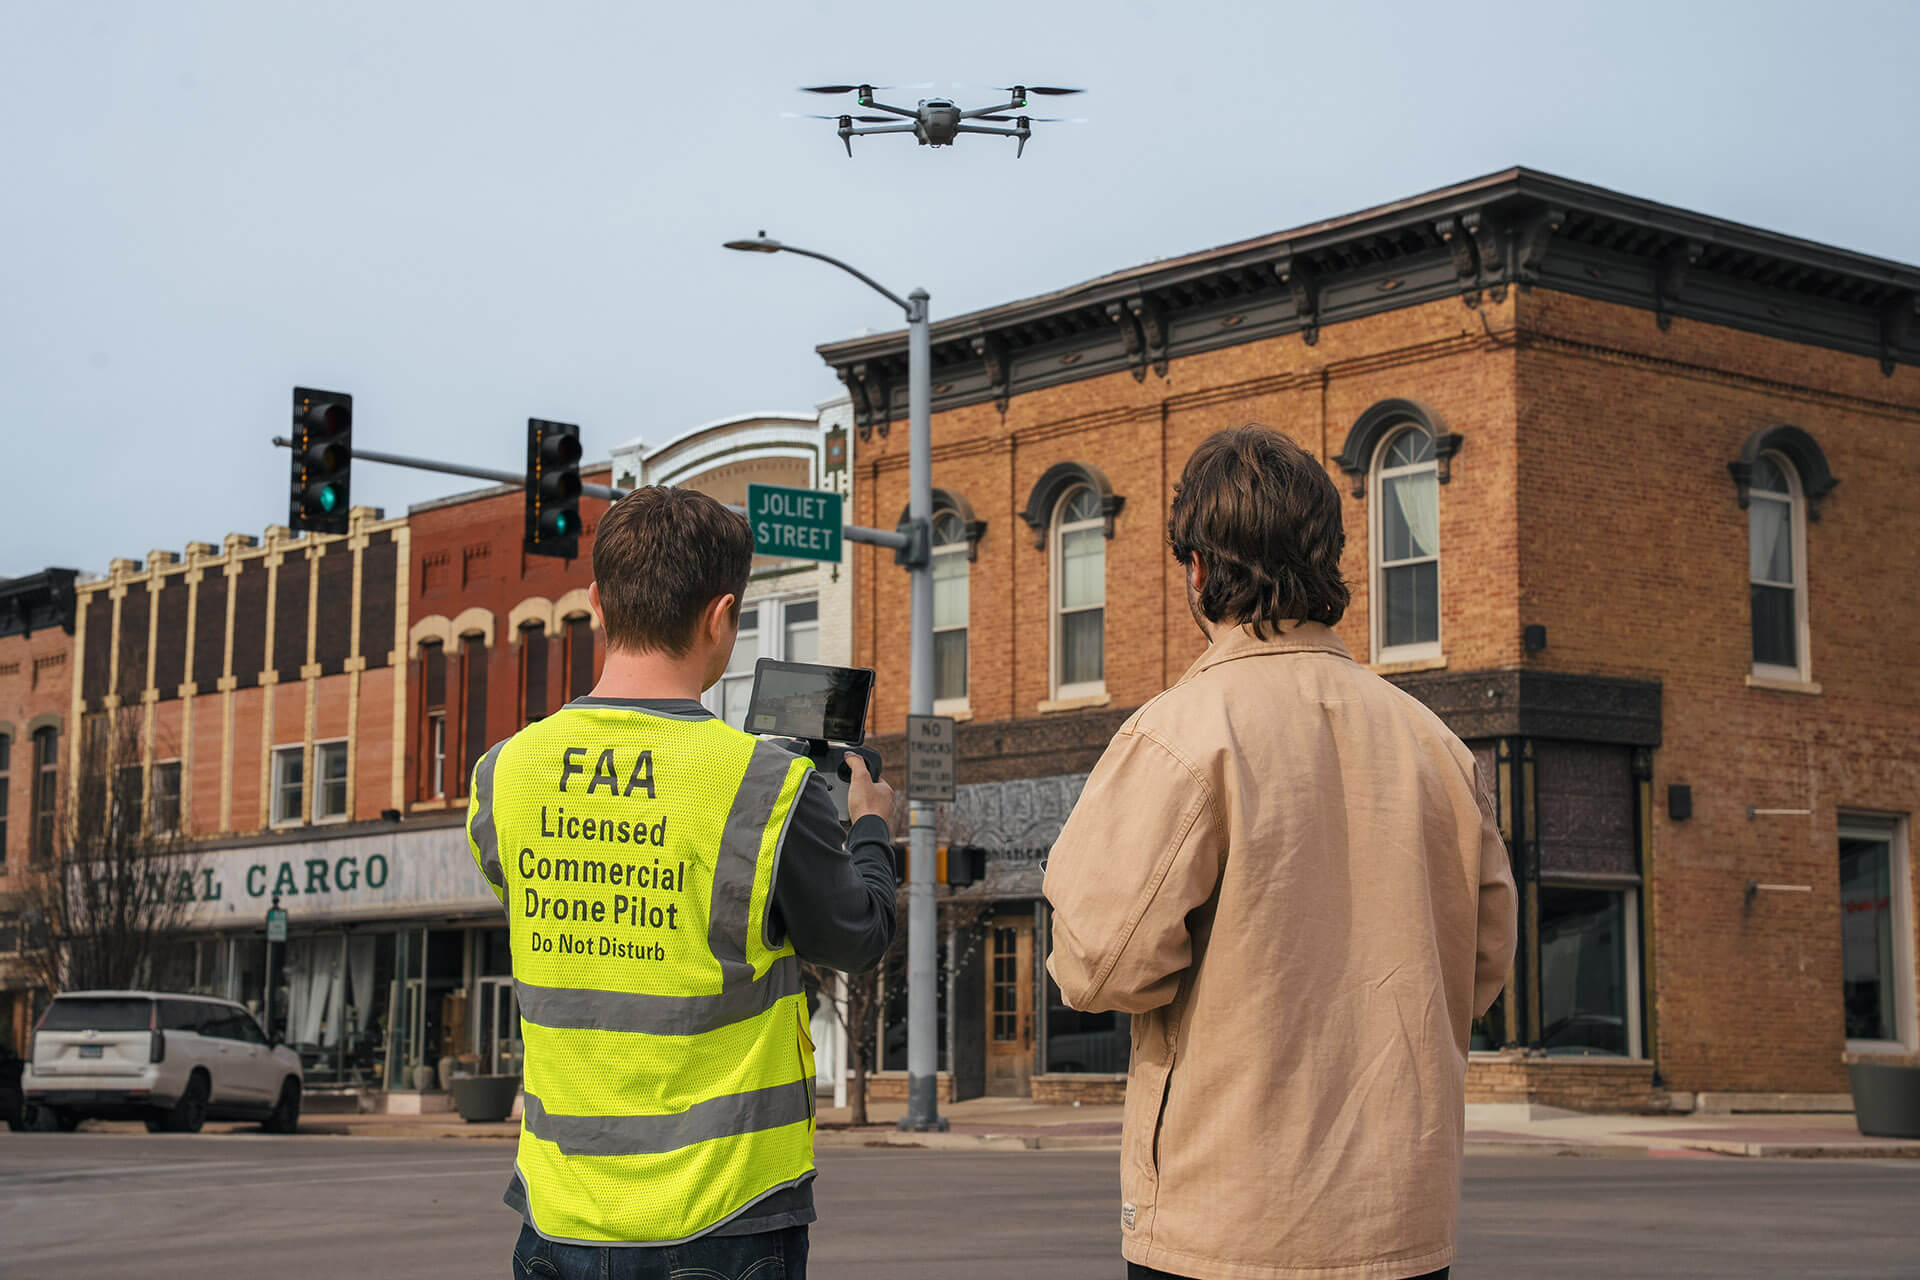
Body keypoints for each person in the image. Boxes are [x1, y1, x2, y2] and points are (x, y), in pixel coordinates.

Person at [1043, 425, 1518, 1280]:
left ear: (1197, 570)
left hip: (1225, 1222)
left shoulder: (1181, 733)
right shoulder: (1437, 746)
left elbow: (1099, 965)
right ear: (1331, 557)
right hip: (1401, 1224)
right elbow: (1481, 971)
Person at [466, 485, 898, 1280]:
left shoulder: (504, 775)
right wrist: (870, 825)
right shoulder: (765, 786)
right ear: (721, 616)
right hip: (723, 1219)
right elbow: (857, 936)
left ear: (597, 604)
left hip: (559, 1217)